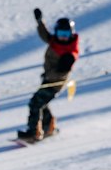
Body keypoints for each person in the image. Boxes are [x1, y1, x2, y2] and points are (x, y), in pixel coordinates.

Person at [19, 9, 79, 142]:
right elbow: (45, 35)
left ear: (71, 34)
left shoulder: (69, 52)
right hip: (48, 79)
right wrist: (40, 22)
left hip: (55, 83)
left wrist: (60, 69)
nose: (63, 36)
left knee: (35, 103)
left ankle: (34, 132)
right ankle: (49, 126)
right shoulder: (56, 42)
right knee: (42, 103)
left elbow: (62, 71)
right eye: (61, 33)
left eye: (66, 33)